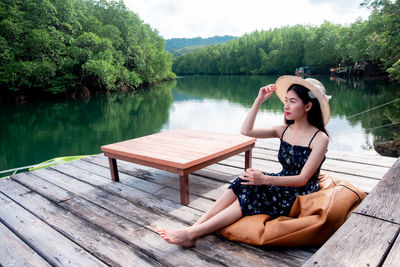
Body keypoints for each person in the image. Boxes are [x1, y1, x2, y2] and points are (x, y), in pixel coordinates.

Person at [157, 75, 331, 247]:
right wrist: (258, 100)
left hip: (299, 192)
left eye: (292, 101)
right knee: (244, 179)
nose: (286, 106)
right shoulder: (283, 130)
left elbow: (302, 179)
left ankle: (192, 234)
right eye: (286, 100)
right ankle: (194, 228)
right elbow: (246, 130)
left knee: (252, 192)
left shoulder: (319, 139)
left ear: (308, 106)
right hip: (281, 181)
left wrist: (264, 179)